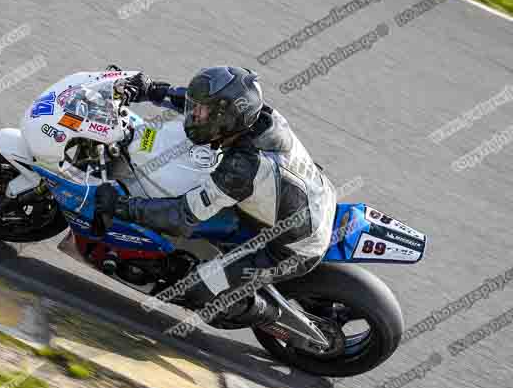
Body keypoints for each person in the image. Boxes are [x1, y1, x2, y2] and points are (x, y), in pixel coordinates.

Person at [94, 66, 338, 329]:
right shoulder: (260, 115)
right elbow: (202, 104)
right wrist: (152, 90)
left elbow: (182, 216)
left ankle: (273, 318)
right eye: (195, 107)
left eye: (201, 111)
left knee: (198, 291)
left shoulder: (242, 169)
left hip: (293, 248)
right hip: (312, 197)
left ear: (226, 118)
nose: (194, 114)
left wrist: (122, 206)